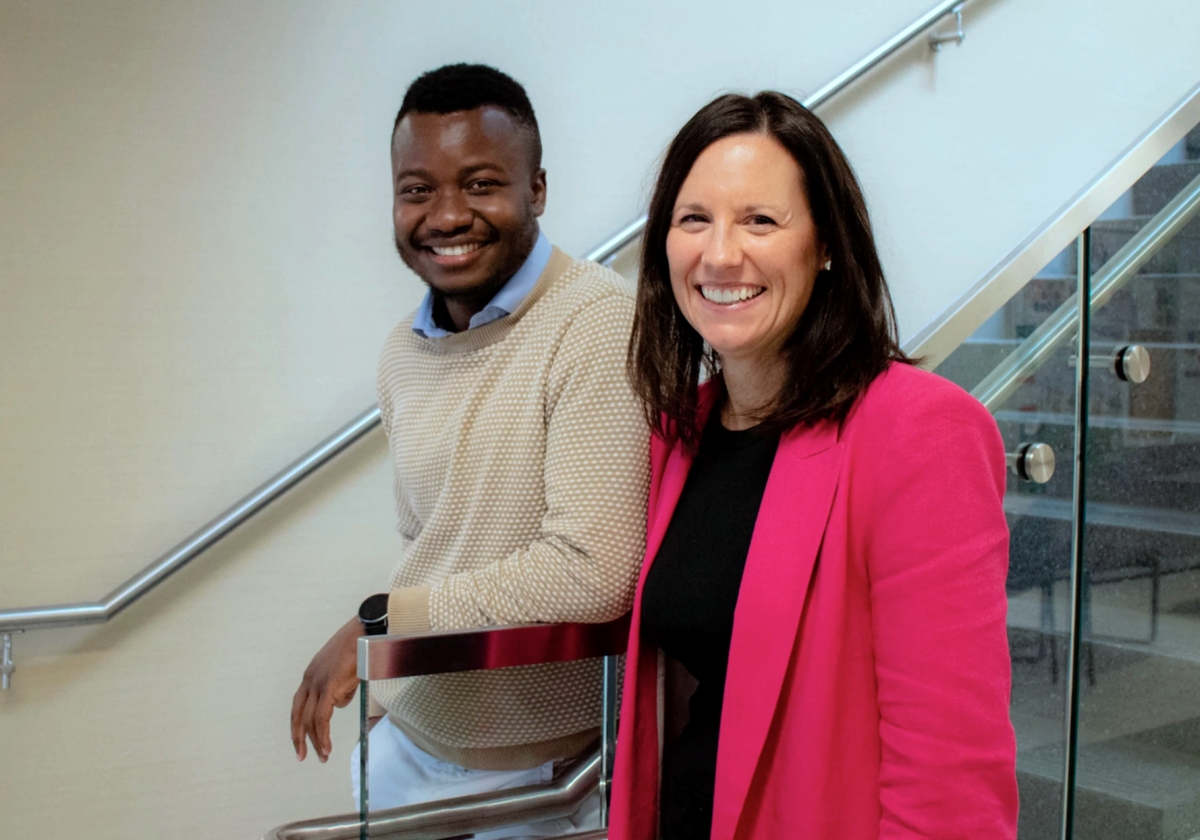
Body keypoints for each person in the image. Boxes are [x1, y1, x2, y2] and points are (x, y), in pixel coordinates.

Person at [608, 91, 1019, 840]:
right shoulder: (681, 429)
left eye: (760, 220)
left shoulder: (920, 432)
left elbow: (953, 781)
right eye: (693, 218)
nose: (720, 253)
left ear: (826, 244)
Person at [290, 63, 649, 837]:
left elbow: (592, 572)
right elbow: (431, 542)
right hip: (411, 742)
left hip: (544, 777)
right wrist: (392, 694)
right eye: (418, 189)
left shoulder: (599, 324)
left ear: (538, 190)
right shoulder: (400, 353)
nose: (446, 215)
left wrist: (380, 624)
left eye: (480, 183)